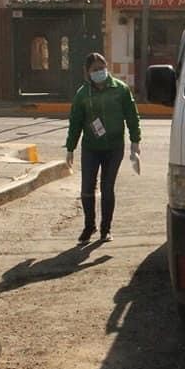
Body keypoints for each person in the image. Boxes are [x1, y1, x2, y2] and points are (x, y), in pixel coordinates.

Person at [65, 53, 141, 244]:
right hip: (91, 148)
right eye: (95, 69)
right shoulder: (82, 94)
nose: (99, 72)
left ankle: (106, 229)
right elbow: (75, 122)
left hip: (114, 147)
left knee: (108, 188)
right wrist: (70, 148)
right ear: (87, 72)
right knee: (86, 189)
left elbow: (132, 116)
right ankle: (89, 226)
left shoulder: (120, 90)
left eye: (102, 67)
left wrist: (135, 142)